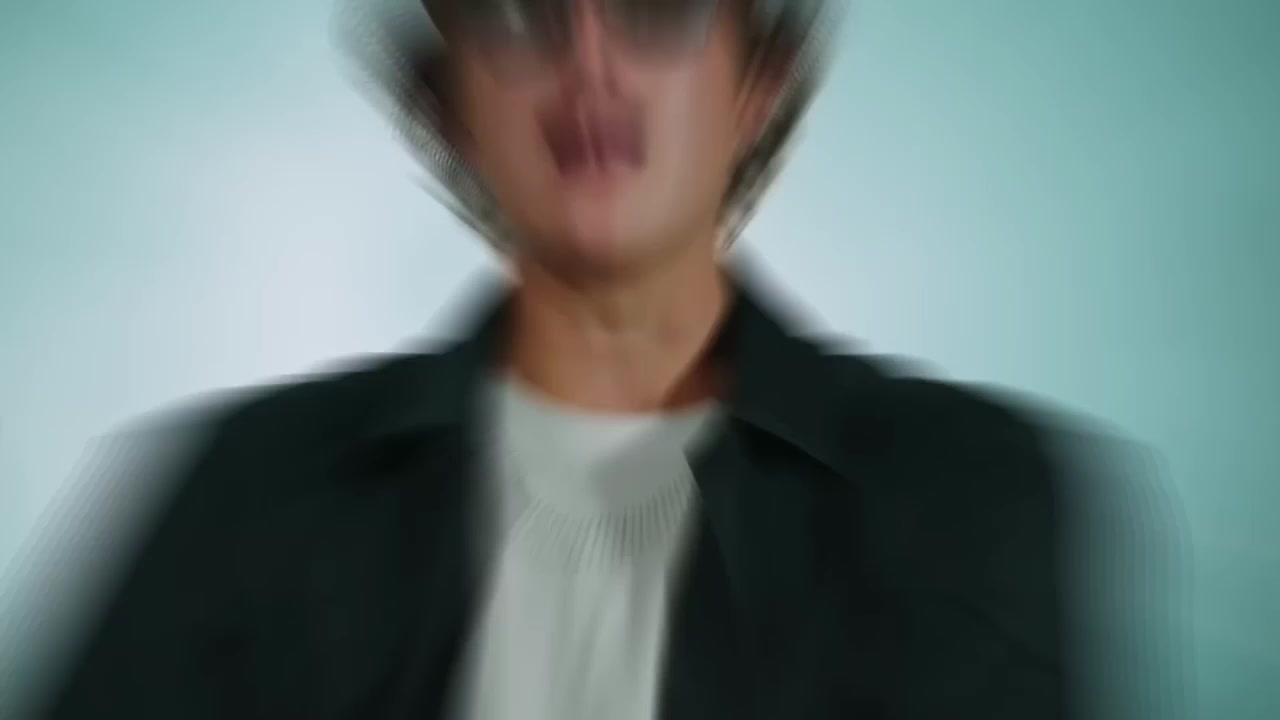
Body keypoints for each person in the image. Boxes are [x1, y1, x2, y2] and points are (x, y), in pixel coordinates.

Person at [26, 0, 1156, 718]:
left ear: (754, 85)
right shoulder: (246, 492)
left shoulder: (964, 493)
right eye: (516, 15)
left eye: (657, 8)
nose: (589, 59)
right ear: (450, 103)